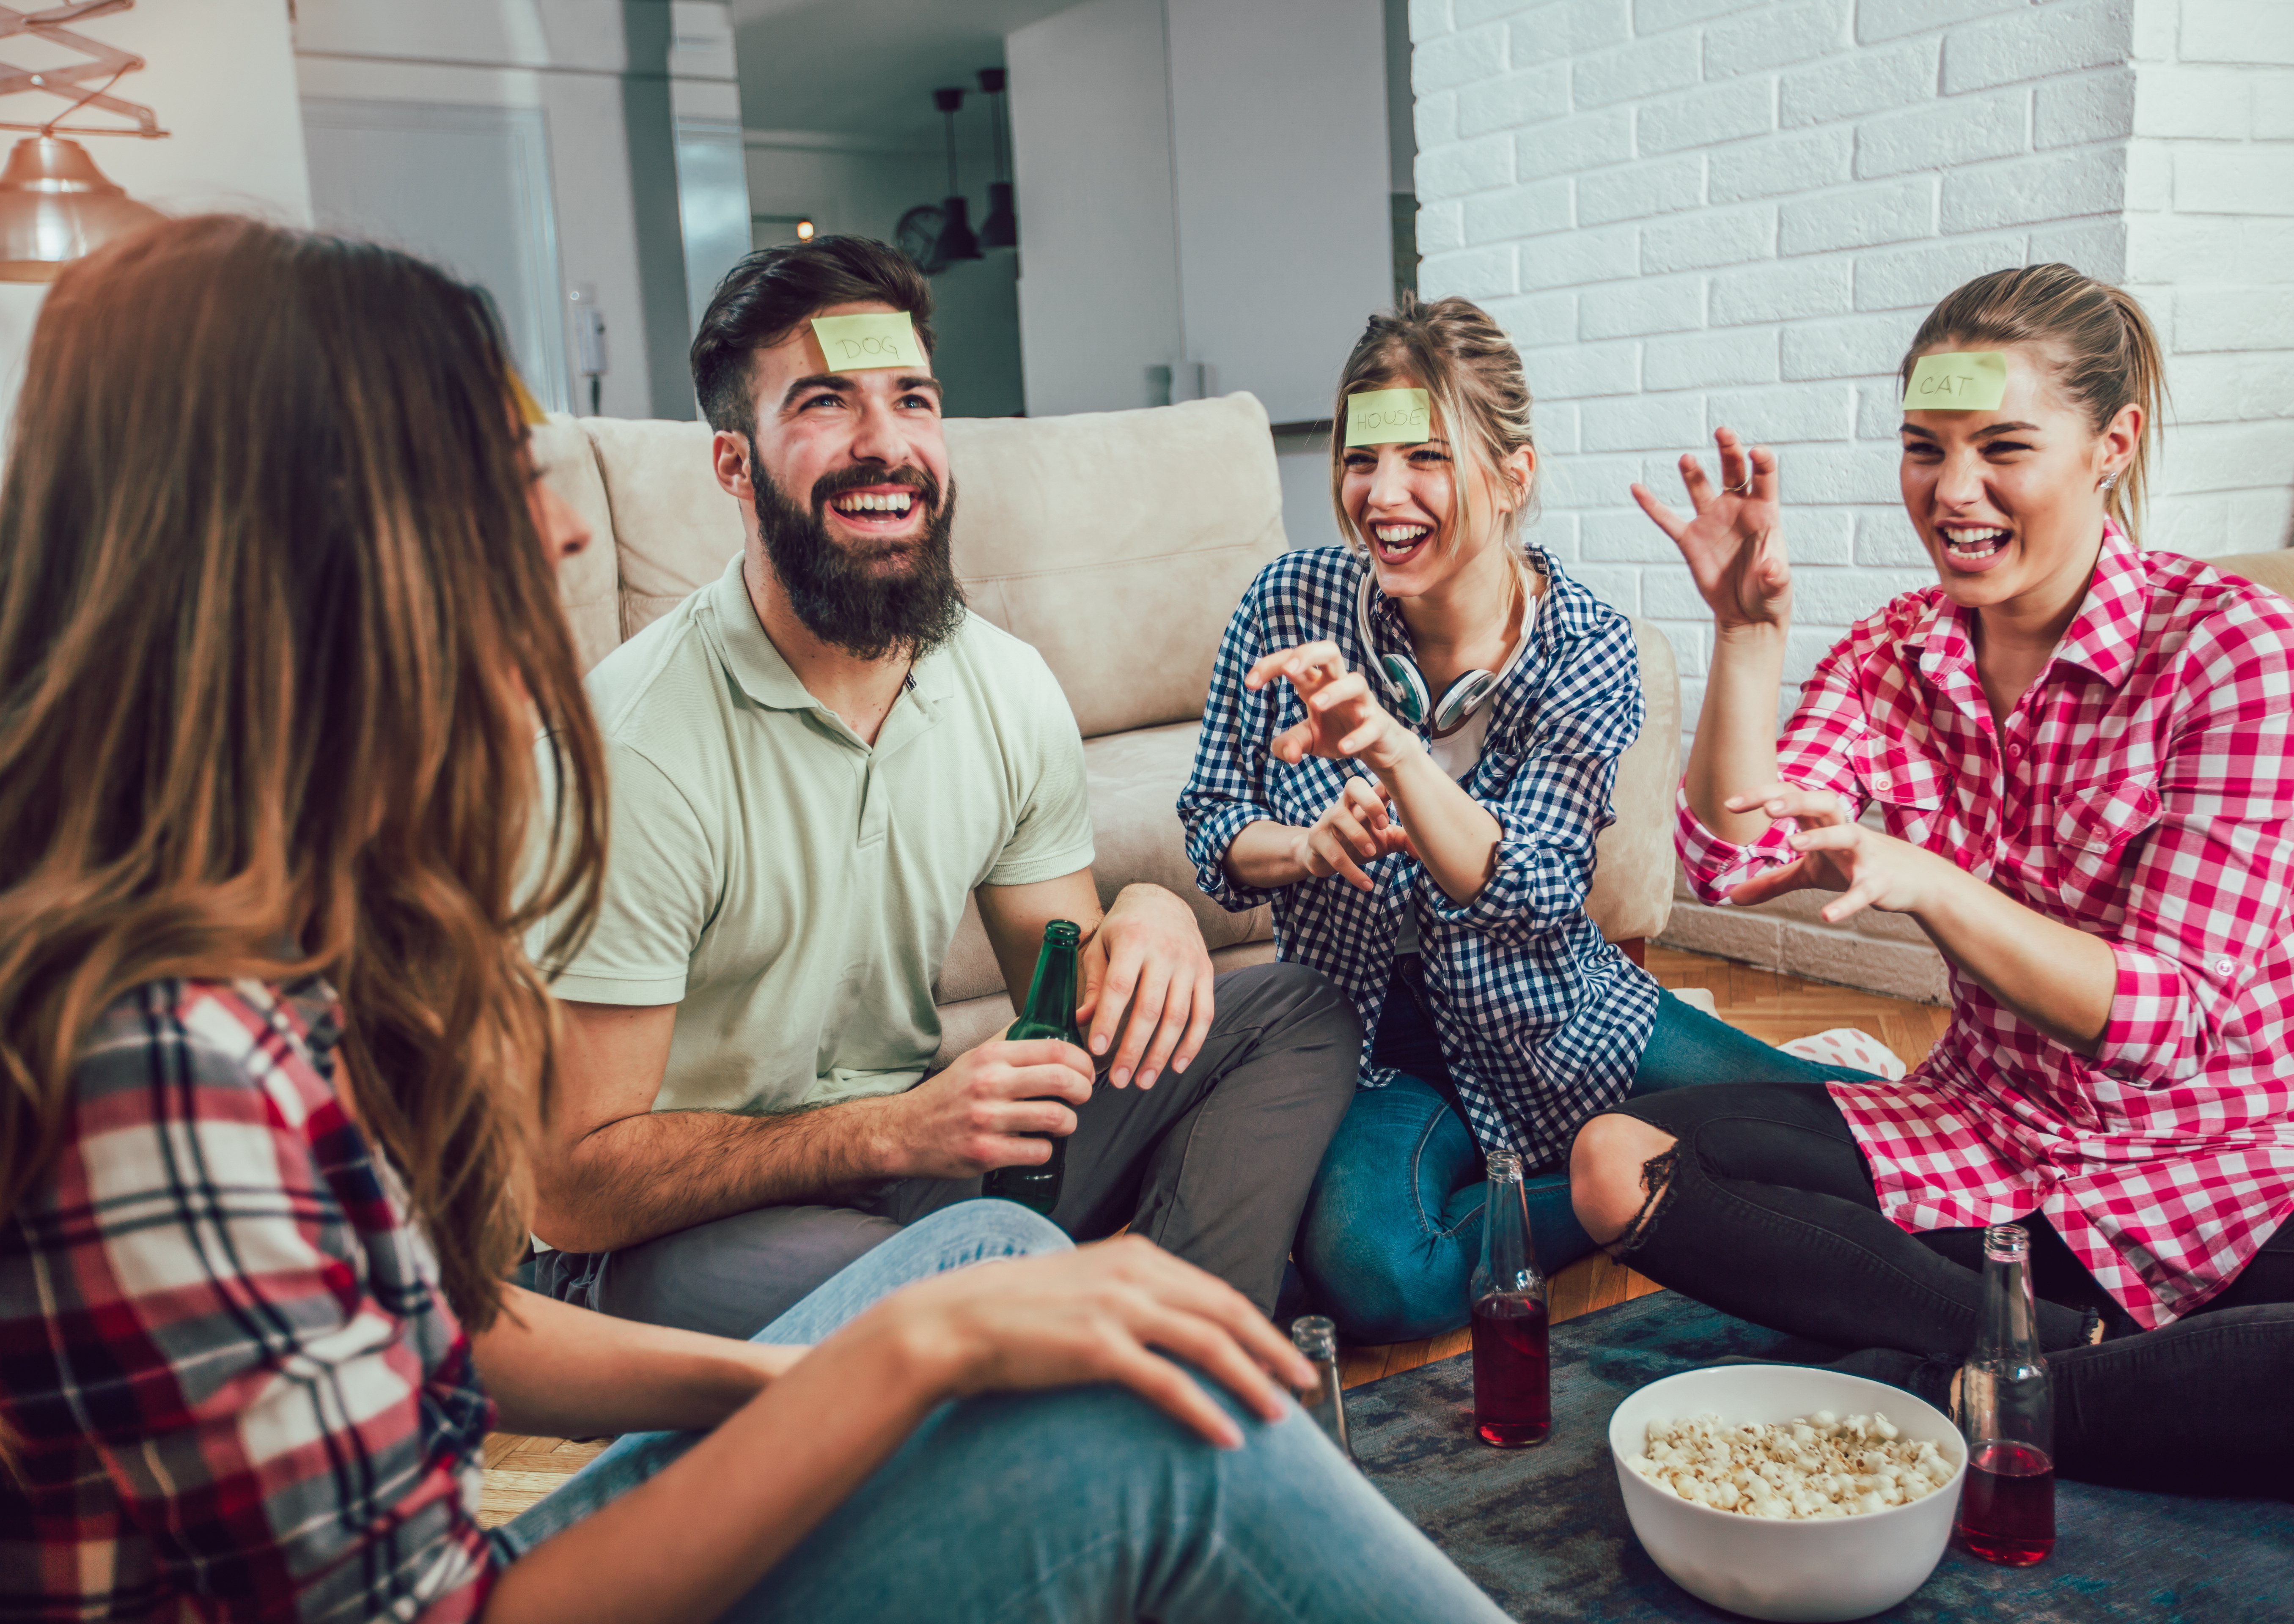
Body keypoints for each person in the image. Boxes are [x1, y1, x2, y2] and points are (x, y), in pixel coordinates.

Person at [0, 215, 1513, 1624]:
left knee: (1068, 1255)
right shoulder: (159, 1068)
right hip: (693, 1254)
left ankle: (1146, 1347)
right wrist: (916, 1342)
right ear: (283, 554)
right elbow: (550, 1254)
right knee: (1060, 1340)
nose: (563, 535)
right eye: (482, 475)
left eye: (914, 399)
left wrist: (1147, 926)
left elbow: (448, 1321)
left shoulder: (260, 960)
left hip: (914, 1207)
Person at [1571, 263, 2294, 1514]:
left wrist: (1929, 883)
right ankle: (2132, 1381)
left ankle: (1983, 1393)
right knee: (1614, 1163)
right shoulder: (1894, 652)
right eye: (1925, 449)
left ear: (2111, 445)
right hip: (1989, 1139)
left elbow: (2162, 1021)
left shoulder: (2240, 649)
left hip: (2236, 1161)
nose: (1953, 492)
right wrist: (1747, 642)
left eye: (2003, 448)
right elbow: (1722, 859)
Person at [522, 237, 1358, 1339]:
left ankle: (1187, 1366)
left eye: (911, 399)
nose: (885, 444)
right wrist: (889, 1131)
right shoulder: (632, 748)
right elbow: (571, 1189)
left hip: (914, 1177)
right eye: (825, 402)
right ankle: (1077, 1352)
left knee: (1297, 1007)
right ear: (734, 465)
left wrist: (1148, 918)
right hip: (676, 1235)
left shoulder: (1001, 687)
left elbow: (1063, 992)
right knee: (986, 1268)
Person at [1178, 296, 1871, 1345]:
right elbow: (1214, 821)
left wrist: (1397, 755)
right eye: (1363, 460)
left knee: (1858, 1131)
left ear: (1513, 477)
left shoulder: (1589, 645)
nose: (1384, 494)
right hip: (1369, 1044)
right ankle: (1637, 1176)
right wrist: (1305, 847)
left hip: (1560, 1026)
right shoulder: (1288, 605)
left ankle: (1641, 1153)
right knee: (1378, 1281)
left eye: (1427, 458)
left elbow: (1540, 891)